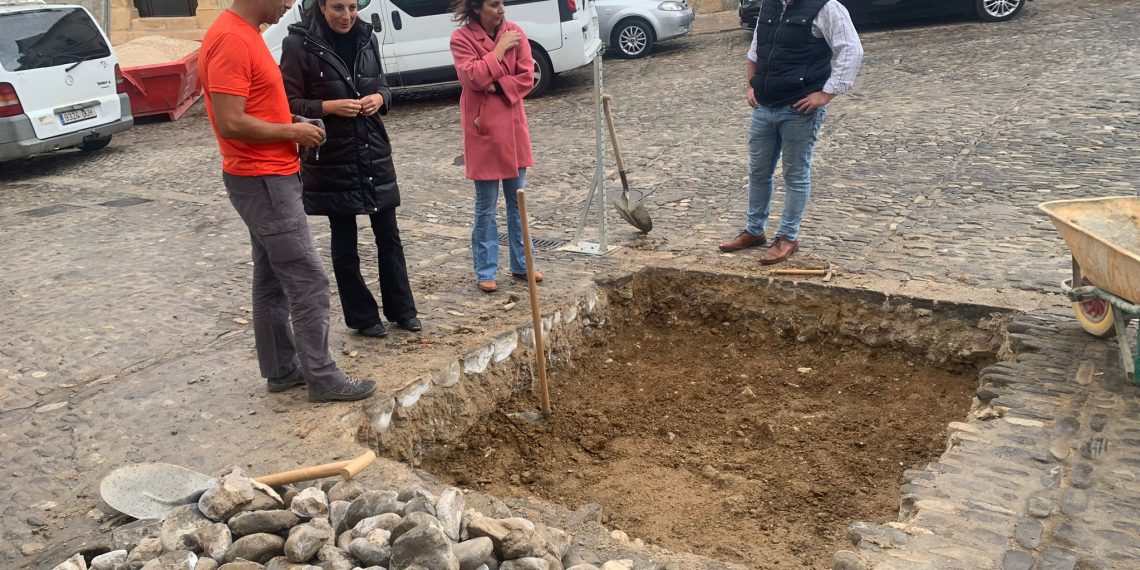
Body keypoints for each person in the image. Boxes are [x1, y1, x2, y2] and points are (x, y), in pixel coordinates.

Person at [199, 0, 376, 402]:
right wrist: (291, 134)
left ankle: (281, 368)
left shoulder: (244, 33)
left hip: (264, 175)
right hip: (263, 179)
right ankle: (323, 377)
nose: (288, 4)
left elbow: (252, 109)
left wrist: (291, 123)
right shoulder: (231, 39)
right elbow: (230, 121)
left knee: (271, 278)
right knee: (307, 280)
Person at [280, 0, 421, 339]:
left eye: (352, 7)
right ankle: (362, 317)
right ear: (321, 6)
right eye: (338, 7)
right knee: (345, 242)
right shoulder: (297, 44)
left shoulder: (366, 35)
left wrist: (381, 99)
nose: (346, 15)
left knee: (389, 235)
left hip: (372, 149)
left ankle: (403, 310)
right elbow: (287, 103)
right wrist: (328, 107)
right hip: (332, 155)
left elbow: (383, 84)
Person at [719, 0, 863, 265]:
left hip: (799, 109)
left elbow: (851, 50)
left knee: (795, 174)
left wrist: (825, 94)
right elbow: (757, 50)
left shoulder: (826, 7)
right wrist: (751, 86)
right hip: (765, 106)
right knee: (758, 171)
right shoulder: (769, 5)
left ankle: (788, 236)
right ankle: (754, 230)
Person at [449, 0, 541, 293]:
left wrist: (494, 84)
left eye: (502, 2)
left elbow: (527, 78)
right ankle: (486, 269)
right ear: (477, 8)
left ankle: (523, 264)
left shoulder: (517, 32)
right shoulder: (461, 39)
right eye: (493, 4)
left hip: (513, 130)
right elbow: (471, 77)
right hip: (484, 132)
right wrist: (499, 50)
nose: (501, 9)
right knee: (485, 207)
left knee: (518, 203)